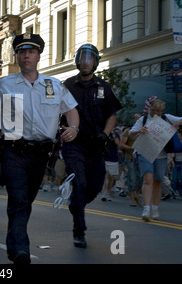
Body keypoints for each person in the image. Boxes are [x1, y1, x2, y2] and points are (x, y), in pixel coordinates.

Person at [0, 33, 80, 264]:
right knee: (19, 199)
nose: (26, 56)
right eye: (22, 52)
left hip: (41, 154)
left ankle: (16, 243)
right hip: (14, 151)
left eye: (30, 51)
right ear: (17, 57)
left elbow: (71, 109)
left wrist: (74, 128)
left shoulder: (53, 85)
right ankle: (21, 249)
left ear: (38, 55)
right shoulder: (7, 84)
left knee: (26, 200)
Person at [62, 43, 123, 248]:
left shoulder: (104, 87)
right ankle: (79, 230)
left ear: (95, 62)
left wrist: (105, 135)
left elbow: (112, 115)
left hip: (96, 145)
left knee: (94, 187)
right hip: (74, 145)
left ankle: (76, 204)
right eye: (82, 58)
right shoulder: (68, 85)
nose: (85, 62)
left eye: (89, 58)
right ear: (77, 60)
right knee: (79, 183)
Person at [129, 98, 182, 221]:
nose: (159, 113)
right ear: (150, 109)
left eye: (160, 111)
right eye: (156, 111)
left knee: (158, 180)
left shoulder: (166, 118)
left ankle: (155, 208)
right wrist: (140, 130)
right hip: (144, 152)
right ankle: (146, 209)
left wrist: (178, 123)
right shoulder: (143, 119)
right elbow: (130, 133)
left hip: (161, 154)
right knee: (148, 179)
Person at [120, 113, 143, 206]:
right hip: (131, 158)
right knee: (132, 178)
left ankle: (137, 194)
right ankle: (132, 199)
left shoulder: (144, 131)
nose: (138, 120)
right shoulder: (128, 131)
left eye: (140, 118)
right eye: (136, 118)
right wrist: (133, 148)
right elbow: (122, 144)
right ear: (133, 120)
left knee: (141, 177)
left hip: (142, 158)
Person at [100, 130, 121, 201]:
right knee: (103, 176)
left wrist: (113, 134)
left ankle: (108, 192)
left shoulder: (116, 134)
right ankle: (103, 193)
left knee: (111, 177)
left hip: (113, 158)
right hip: (104, 157)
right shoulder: (104, 133)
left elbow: (117, 143)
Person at [170, 132, 182, 198]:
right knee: (174, 179)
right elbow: (171, 154)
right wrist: (172, 162)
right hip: (175, 162)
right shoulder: (173, 143)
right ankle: (173, 192)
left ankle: (181, 191)